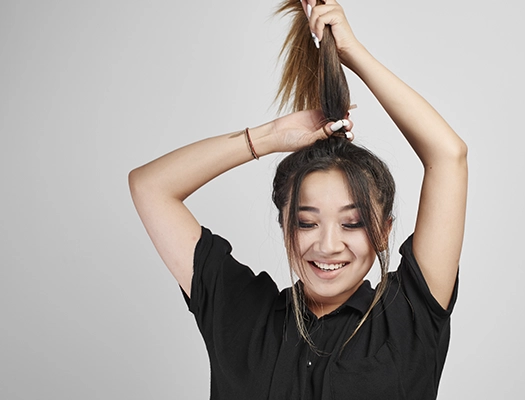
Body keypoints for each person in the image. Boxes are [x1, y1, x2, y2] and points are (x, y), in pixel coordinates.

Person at [129, 0, 467, 398]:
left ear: (384, 230)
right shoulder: (241, 314)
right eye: (307, 222)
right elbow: (150, 187)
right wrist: (269, 137)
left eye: (352, 222)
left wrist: (351, 53)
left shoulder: (407, 318)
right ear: (285, 225)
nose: (327, 245)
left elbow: (448, 156)